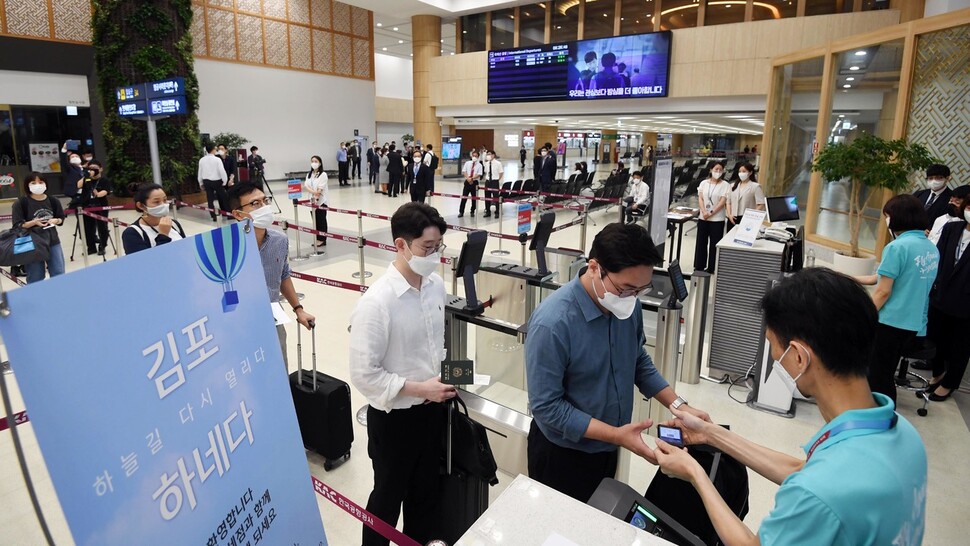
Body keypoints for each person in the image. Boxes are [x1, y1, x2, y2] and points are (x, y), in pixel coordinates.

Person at [655, 268, 927, 546]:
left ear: (798, 356)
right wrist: (710, 434)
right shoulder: (903, 435)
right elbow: (802, 468)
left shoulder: (817, 494)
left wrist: (695, 474)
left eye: (773, 345)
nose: (774, 357)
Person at [525, 223, 710, 502]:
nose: (632, 298)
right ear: (594, 268)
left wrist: (679, 406)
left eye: (640, 290)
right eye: (626, 288)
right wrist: (617, 435)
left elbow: (636, 359)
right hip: (561, 456)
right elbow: (547, 407)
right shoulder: (553, 323)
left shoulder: (627, 305)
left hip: (609, 447)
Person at [348, 202, 456, 546]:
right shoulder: (377, 303)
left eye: (438, 246)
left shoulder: (436, 286)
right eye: (427, 247)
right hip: (394, 420)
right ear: (400, 245)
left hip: (432, 412)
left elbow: (434, 347)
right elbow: (364, 375)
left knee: (425, 494)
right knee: (386, 501)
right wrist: (418, 388)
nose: (434, 254)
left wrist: (449, 376)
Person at [855, 194, 938, 403]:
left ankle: (882, 415)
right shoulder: (930, 248)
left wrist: (865, 316)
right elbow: (881, 277)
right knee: (886, 369)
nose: (886, 220)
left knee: (879, 374)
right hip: (913, 323)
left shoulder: (897, 247)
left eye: (887, 216)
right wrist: (847, 277)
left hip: (890, 321)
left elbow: (883, 291)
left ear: (897, 217)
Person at [230, 182, 315, 367]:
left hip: (273, 317)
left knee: (278, 368)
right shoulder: (226, 247)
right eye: (255, 204)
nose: (264, 208)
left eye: (265, 201)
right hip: (238, 324)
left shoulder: (279, 241)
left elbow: (283, 275)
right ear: (238, 214)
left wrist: (298, 309)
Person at [923, 197, 970, 402]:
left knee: (960, 344)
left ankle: (950, 383)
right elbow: (938, 256)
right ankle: (938, 372)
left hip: (966, 299)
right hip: (941, 293)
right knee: (935, 336)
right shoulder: (953, 228)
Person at [12, 173, 65, 283]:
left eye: (41, 182)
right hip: (31, 243)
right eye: (33, 183)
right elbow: (17, 224)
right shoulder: (21, 203)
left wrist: (56, 220)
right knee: (35, 276)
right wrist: (34, 222)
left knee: (58, 272)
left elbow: (61, 218)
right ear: (27, 185)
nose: (38, 185)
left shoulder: (53, 201)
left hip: (53, 241)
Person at [122, 183, 185, 254]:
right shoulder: (132, 233)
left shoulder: (174, 224)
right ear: (141, 206)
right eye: (156, 202)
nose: (163, 205)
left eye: (165, 200)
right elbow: (144, 262)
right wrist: (163, 235)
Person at [694, 162, 730, 273]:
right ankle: (699, 266)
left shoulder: (725, 185)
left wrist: (711, 213)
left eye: (720, 170)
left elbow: (722, 201)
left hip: (717, 219)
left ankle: (712, 267)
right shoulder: (704, 183)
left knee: (714, 244)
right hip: (703, 217)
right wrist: (704, 211)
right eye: (716, 169)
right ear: (710, 170)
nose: (718, 172)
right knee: (701, 243)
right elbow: (700, 198)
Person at [79, 159, 111, 256]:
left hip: (100, 206)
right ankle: (91, 247)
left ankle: (102, 246)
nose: (93, 170)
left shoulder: (104, 180)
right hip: (86, 206)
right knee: (88, 228)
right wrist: (86, 176)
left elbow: (105, 192)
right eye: (91, 168)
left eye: (95, 168)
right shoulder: (87, 179)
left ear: (101, 169)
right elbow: (79, 185)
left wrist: (98, 194)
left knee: (102, 227)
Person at [198, 143, 229, 221]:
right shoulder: (217, 159)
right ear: (213, 150)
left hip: (206, 181)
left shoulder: (202, 160)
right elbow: (222, 171)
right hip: (217, 181)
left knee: (210, 199)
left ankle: (213, 215)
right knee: (224, 197)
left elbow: (200, 172)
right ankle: (228, 214)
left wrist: (200, 182)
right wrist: (225, 181)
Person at [304, 156, 329, 249]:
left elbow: (320, 189)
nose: (314, 163)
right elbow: (306, 185)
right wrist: (314, 193)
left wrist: (316, 194)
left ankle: (322, 239)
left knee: (321, 220)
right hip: (312, 201)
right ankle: (317, 238)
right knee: (315, 220)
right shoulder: (309, 174)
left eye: (316, 161)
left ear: (320, 163)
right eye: (312, 161)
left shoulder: (323, 174)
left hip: (321, 201)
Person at [459, 149, 483, 218]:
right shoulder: (467, 163)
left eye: (476, 156)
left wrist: (472, 178)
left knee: (474, 198)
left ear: (478, 157)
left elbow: (479, 174)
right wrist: (468, 178)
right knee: (464, 197)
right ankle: (461, 212)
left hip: (475, 182)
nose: (474, 157)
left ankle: (472, 211)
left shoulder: (479, 165)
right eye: (473, 155)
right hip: (467, 181)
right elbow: (464, 171)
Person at [482, 150, 504, 218]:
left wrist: (497, 179)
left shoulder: (498, 163)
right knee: (487, 197)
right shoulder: (487, 163)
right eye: (487, 154)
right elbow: (486, 172)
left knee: (496, 197)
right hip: (488, 181)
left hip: (494, 181)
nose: (488, 155)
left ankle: (497, 212)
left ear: (493, 155)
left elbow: (501, 173)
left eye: (489, 154)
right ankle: (488, 211)